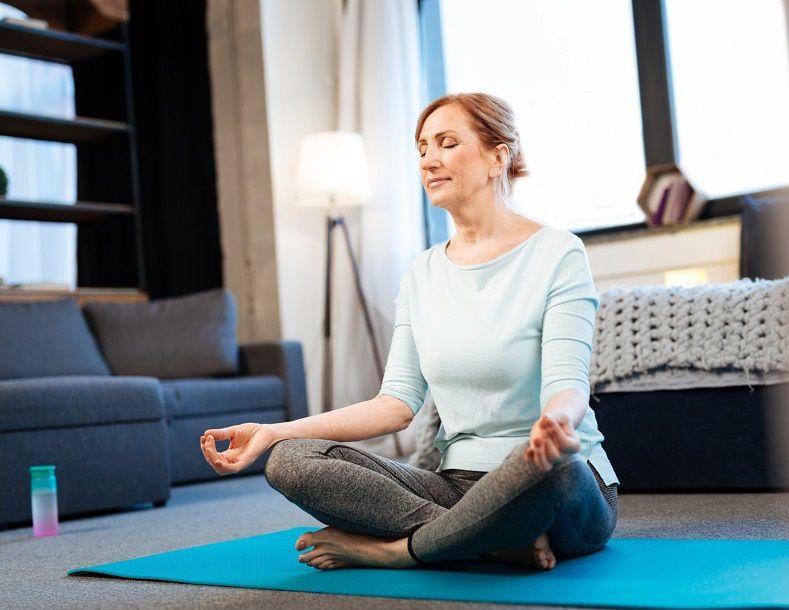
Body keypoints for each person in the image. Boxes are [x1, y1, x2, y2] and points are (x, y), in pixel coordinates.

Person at [199, 92, 619, 572]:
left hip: (551, 478)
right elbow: (395, 404)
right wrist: (273, 432)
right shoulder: (421, 274)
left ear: (497, 158)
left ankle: (399, 551)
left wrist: (555, 424)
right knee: (289, 460)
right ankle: (489, 539)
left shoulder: (558, 253)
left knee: (549, 467)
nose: (429, 160)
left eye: (447, 143)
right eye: (422, 149)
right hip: (458, 487)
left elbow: (567, 385)